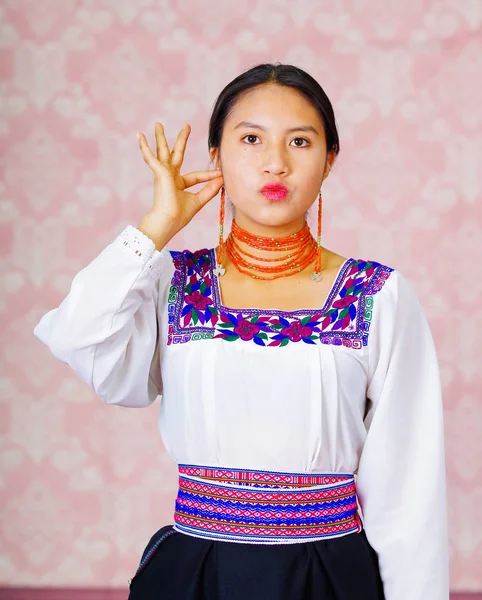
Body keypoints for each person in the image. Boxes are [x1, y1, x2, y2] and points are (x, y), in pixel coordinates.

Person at [33, 63, 449, 600]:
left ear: (330, 161)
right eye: (250, 138)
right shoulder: (170, 281)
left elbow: (408, 490)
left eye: (300, 141)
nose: (274, 162)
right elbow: (78, 339)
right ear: (216, 158)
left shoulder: (378, 294)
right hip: (195, 572)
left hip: (329, 576)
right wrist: (158, 225)